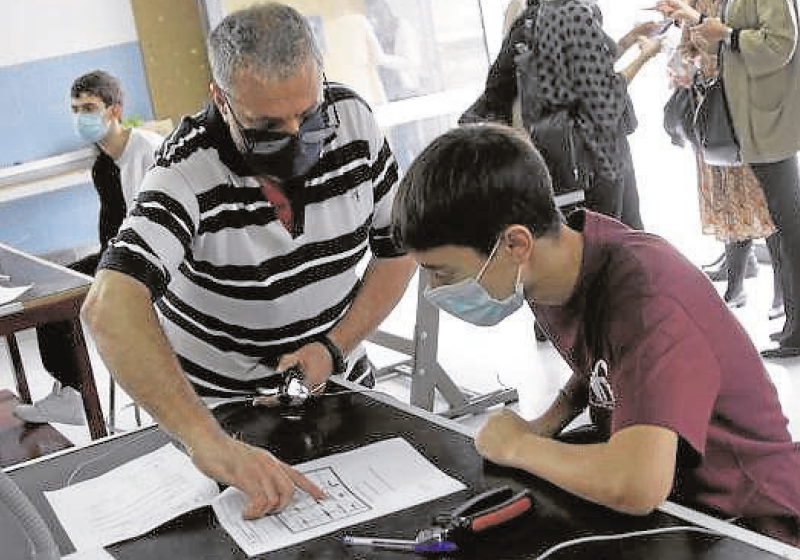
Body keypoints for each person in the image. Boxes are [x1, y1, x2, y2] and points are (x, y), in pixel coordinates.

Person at [81, 3, 416, 517]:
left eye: (308, 115)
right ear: (222, 99)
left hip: (335, 385)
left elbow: (397, 250)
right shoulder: (185, 170)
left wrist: (334, 346)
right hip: (222, 414)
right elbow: (108, 307)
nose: (294, 136)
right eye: (266, 125)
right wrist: (208, 443)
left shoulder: (353, 123)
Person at [390, 124, 800, 545]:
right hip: (679, 506)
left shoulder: (646, 297)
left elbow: (637, 484)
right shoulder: (562, 266)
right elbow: (603, 361)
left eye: (443, 272)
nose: (435, 291)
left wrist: (518, 447)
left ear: (515, 244)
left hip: (749, 522)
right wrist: (546, 423)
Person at [14, 70, 163, 426]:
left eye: (90, 108)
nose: (82, 117)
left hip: (149, 265)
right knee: (48, 291)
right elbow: (109, 233)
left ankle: (76, 395)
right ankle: (72, 392)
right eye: (76, 109)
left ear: (115, 110)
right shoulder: (102, 166)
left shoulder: (148, 151)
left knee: (58, 298)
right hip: (117, 259)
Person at [655, 0, 800, 358]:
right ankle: (794, 325)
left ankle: (797, 327)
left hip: (769, 121)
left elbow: (781, 43)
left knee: (789, 224)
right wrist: (703, 26)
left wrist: (725, 33)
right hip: (754, 122)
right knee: (785, 223)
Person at [460, 0, 663, 231]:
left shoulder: (546, 11)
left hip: (573, 159)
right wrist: (645, 56)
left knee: (598, 242)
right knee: (622, 242)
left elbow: (580, 71)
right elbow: (605, 101)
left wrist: (629, 39)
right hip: (600, 155)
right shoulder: (576, 13)